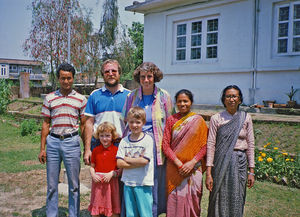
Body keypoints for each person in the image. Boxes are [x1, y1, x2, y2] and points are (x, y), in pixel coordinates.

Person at [122, 62, 173, 216]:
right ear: (139, 78)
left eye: (149, 76)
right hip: (134, 143)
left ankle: (153, 212)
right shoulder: (131, 96)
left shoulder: (164, 96)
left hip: (156, 146)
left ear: (154, 77)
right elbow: (124, 119)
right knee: (134, 179)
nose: (146, 80)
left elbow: (170, 122)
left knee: (153, 182)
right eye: (143, 77)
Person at [38, 63, 87, 217]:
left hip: (72, 143)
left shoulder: (81, 99)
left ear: (73, 78)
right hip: (53, 143)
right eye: (63, 78)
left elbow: (84, 125)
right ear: (58, 79)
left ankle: (74, 214)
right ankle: (52, 214)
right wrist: (42, 148)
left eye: (69, 78)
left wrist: (86, 148)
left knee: (74, 185)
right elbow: (46, 123)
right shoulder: (50, 98)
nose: (66, 81)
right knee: (52, 184)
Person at [206, 85, 255, 217]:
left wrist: (252, 171)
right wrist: (209, 173)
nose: (231, 99)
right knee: (218, 196)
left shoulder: (245, 118)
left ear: (239, 99)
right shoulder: (216, 118)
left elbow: (250, 144)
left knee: (237, 196)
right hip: (221, 162)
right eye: (228, 96)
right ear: (223, 99)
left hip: (240, 162)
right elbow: (210, 145)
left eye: (234, 96)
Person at [162, 89, 208, 217]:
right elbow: (165, 145)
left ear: (191, 102)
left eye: (185, 101)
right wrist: (179, 164)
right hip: (174, 168)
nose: (182, 104)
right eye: (179, 101)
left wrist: (192, 163)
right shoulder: (171, 120)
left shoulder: (198, 120)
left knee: (193, 201)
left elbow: (205, 145)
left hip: (194, 168)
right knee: (174, 201)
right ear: (176, 103)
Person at [84, 59, 130, 165]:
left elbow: (132, 124)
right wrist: (87, 150)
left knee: (120, 180)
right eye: (106, 72)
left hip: (121, 144)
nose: (110, 74)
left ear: (119, 73)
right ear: (103, 75)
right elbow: (89, 123)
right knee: (100, 179)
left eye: (114, 71)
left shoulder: (129, 96)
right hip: (98, 144)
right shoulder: (94, 95)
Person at [117, 107, 154, 217]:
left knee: (145, 213)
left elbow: (144, 161)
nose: (134, 125)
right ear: (128, 122)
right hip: (128, 182)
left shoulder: (148, 140)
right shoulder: (124, 141)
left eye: (138, 122)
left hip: (143, 183)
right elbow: (119, 163)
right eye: (131, 122)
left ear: (143, 122)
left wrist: (127, 159)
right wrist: (137, 161)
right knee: (130, 213)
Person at [88, 122, 121, 217]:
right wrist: (93, 175)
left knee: (113, 208)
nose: (104, 138)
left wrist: (112, 173)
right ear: (98, 136)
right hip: (98, 183)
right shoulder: (95, 150)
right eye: (101, 136)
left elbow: (121, 168)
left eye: (107, 136)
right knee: (96, 207)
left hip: (111, 182)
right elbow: (92, 167)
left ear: (113, 136)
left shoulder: (116, 150)